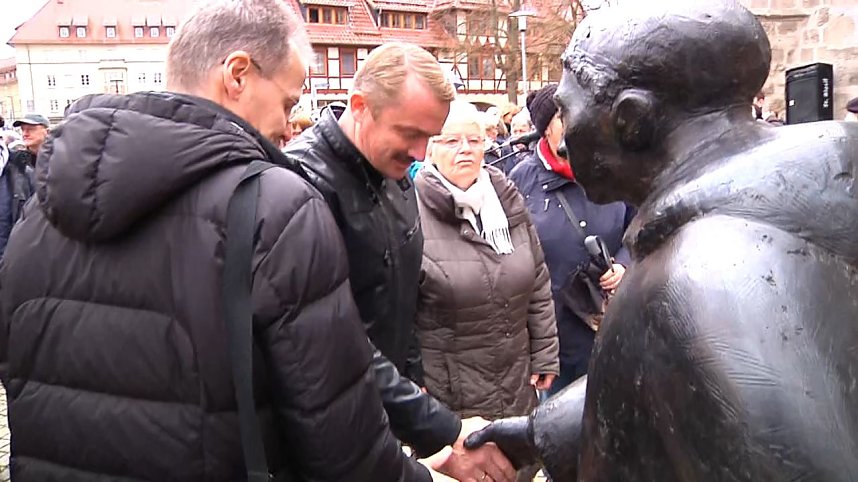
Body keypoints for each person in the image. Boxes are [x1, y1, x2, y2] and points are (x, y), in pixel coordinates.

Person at [0, 1, 467, 480]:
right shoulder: (274, 203)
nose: (289, 126)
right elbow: (343, 443)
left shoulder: (38, 212)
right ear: (238, 74)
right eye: (288, 102)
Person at [467, 1, 858, 480]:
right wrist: (543, 432)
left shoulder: (705, 278)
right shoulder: (753, 212)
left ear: (632, 121)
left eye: (569, 114)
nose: (564, 143)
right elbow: (689, 386)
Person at [285, 42, 515, 482]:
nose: (422, 154)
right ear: (360, 106)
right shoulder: (302, 186)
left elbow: (401, 297)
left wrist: (416, 387)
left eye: (431, 136)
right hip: (325, 424)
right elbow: (336, 341)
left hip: (380, 407)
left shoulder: (396, 177)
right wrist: (439, 427)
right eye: (411, 134)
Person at [415, 101, 559, 482]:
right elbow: (397, 311)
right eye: (452, 141)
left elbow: (538, 278)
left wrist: (544, 351)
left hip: (516, 376)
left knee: (516, 468)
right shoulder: (410, 209)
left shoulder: (506, 199)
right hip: (452, 390)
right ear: (430, 148)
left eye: (474, 139)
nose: (465, 149)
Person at [509, 84, 633, 395]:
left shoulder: (612, 169)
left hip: (611, 326)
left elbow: (640, 224)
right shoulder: (521, 179)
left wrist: (625, 264)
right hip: (555, 335)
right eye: (564, 117)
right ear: (546, 129)